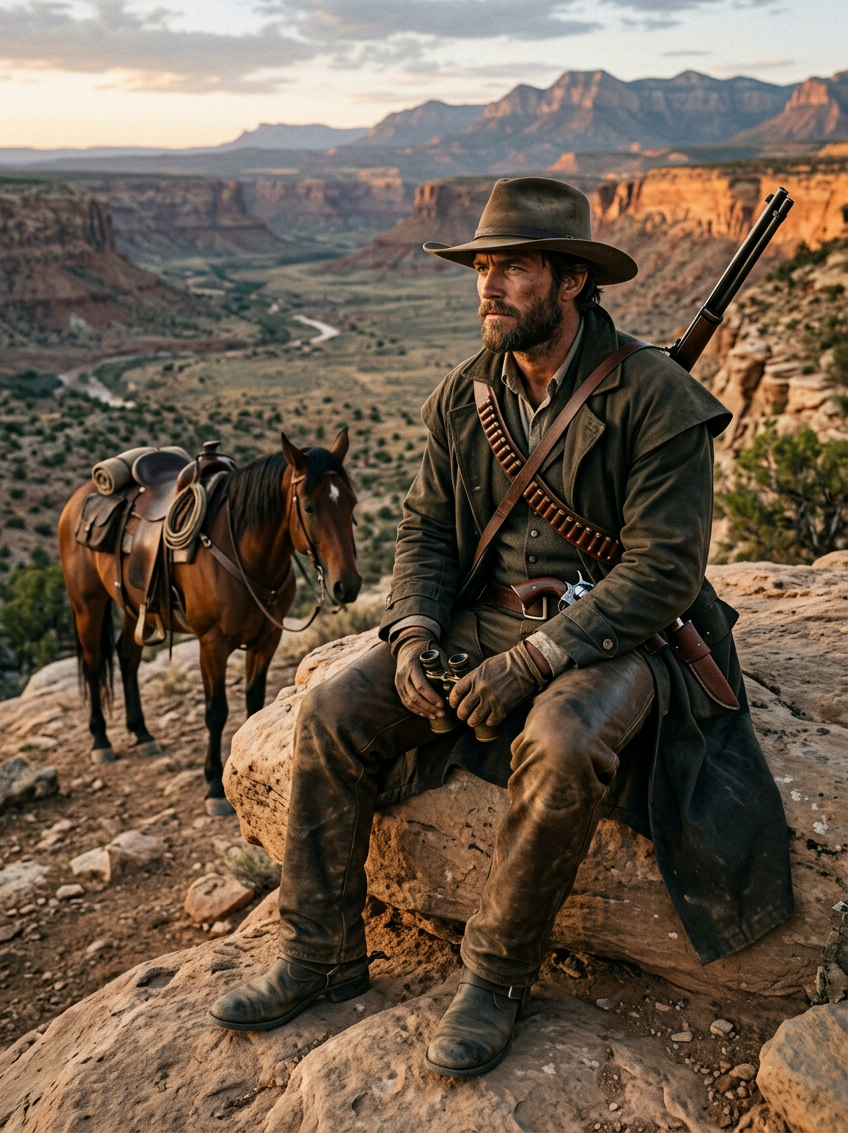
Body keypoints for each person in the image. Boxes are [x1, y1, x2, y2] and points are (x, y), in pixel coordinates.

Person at [209, 177, 792, 1078]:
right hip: (482, 623)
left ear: (569, 282)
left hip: (612, 634)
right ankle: (319, 951)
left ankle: (496, 976)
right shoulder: (463, 395)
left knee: (564, 744)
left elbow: (665, 571)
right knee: (331, 710)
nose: (487, 286)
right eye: (481, 267)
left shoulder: (654, 396)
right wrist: (409, 637)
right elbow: (427, 534)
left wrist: (538, 660)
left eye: (511, 268)